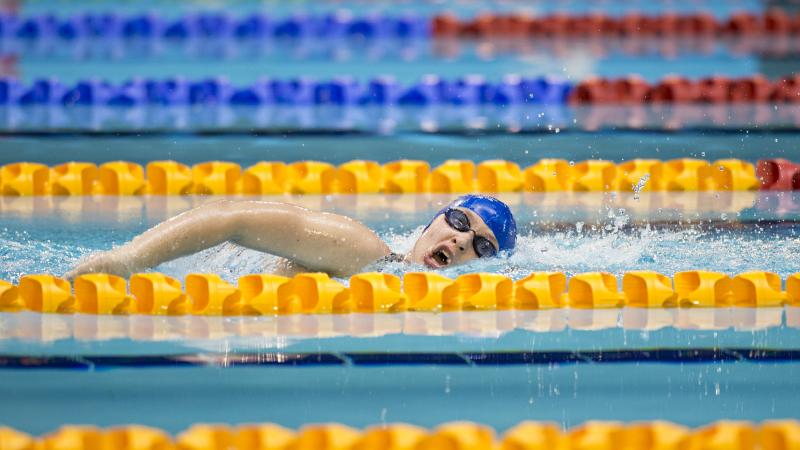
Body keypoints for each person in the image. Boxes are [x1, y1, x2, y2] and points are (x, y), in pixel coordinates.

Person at [66, 194, 517, 279]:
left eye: (481, 247)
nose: (461, 242)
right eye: (460, 224)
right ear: (431, 225)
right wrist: (128, 259)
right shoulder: (363, 253)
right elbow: (233, 216)